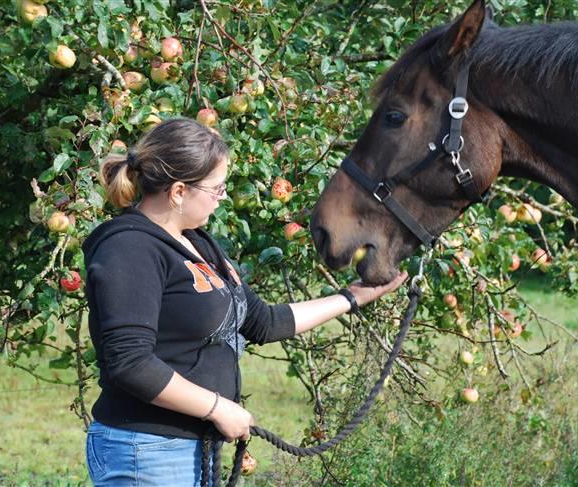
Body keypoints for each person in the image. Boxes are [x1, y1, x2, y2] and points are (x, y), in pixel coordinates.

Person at [82, 118, 408, 486]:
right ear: (177, 192)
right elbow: (130, 362)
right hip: (148, 451)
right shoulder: (128, 248)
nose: (221, 198)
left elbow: (262, 321)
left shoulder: (198, 243)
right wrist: (217, 408)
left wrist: (351, 297)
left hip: (189, 450)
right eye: (217, 189)